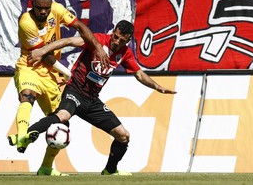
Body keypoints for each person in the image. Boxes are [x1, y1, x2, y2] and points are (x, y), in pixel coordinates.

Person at [19, 20, 176, 176]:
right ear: (113, 32)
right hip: (74, 91)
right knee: (62, 116)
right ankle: (27, 134)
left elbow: (139, 74)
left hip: (93, 101)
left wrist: (157, 86)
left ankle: (110, 170)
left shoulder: (125, 53)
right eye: (115, 37)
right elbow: (68, 41)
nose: (116, 41)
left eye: (121, 40)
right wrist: (42, 50)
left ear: (128, 41)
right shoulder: (98, 40)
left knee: (123, 135)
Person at [8, 0, 108, 176]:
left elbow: (79, 26)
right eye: (39, 8)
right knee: (27, 96)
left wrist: (97, 47)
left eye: (46, 8)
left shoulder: (57, 9)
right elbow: (43, 55)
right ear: (33, 5)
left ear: (51, 4)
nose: (43, 12)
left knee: (61, 125)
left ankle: (46, 168)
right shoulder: (26, 22)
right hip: (31, 66)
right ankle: (22, 135)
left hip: (52, 74)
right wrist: (68, 73)